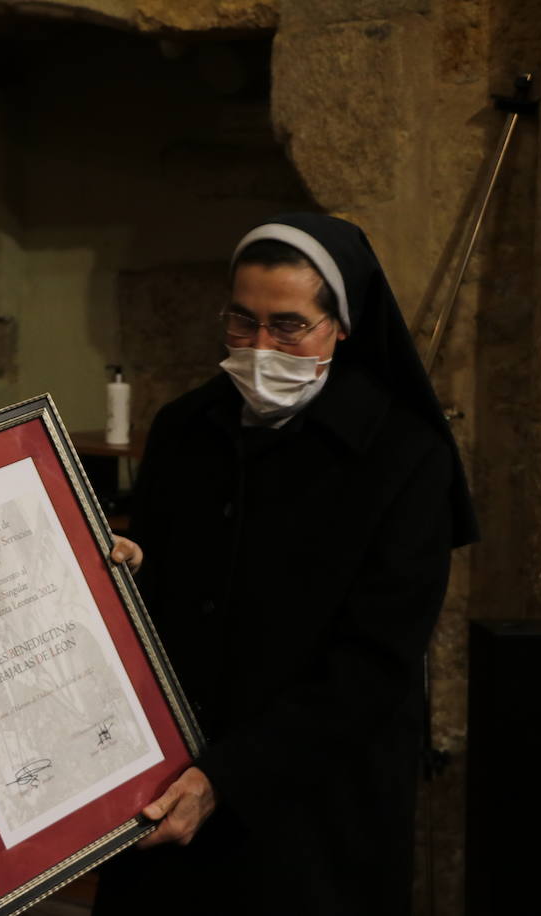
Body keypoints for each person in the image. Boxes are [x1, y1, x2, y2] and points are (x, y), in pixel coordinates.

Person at [93, 213, 477, 915]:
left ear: (342, 325)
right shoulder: (184, 428)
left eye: (289, 325)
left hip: (316, 811)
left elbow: (374, 663)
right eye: (242, 322)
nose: (261, 345)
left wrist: (228, 776)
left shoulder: (405, 456)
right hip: (172, 785)